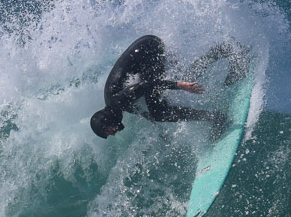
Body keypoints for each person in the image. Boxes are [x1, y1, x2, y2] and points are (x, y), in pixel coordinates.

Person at [90, 35, 224, 139]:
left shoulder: (118, 101)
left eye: (108, 130)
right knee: (159, 110)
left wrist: (179, 85)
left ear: (107, 120)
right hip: (145, 49)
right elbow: (146, 113)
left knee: (162, 108)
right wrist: (161, 131)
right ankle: (217, 52)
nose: (112, 134)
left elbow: (147, 86)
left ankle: (215, 117)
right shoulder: (118, 106)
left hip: (148, 49)